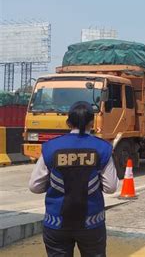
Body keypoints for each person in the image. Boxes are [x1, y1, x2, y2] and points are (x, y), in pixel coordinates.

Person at [29, 101, 119, 257]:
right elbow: (111, 187)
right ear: (92, 121)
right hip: (91, 223)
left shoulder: (51, 147)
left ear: (68, 122)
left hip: (56, 222)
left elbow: (35, 186)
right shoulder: (102, 148)